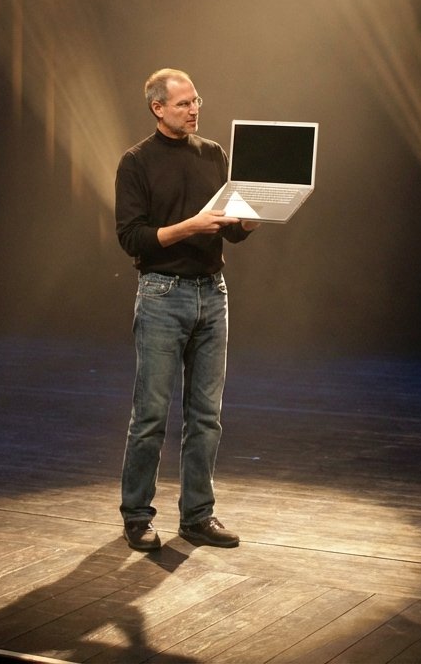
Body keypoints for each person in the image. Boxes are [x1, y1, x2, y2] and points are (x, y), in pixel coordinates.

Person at [115, 68, 258, 551]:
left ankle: (198, 515)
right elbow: (131, 237)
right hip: (161, 293)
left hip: (211, 293)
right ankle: (137, 516)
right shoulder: (136, 162)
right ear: (158, 108)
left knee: (206, 415)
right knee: (151, 414)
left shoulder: (214, 154)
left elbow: (228, 229)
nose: (194, 110)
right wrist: (189, 226)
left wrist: (247, 222)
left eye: (197, 101)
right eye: (183, 104)